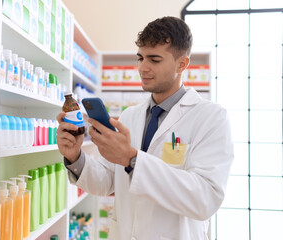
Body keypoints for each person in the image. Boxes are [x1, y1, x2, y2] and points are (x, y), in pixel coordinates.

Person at [56, 16, 234, 240]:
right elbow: (105, 181)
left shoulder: (211, 117)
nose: (143, 67)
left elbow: (205, 198)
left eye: (154, 59)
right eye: (140, 58)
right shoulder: (131, 116)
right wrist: (75, 157)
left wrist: (132, 160)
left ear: (182, 64)